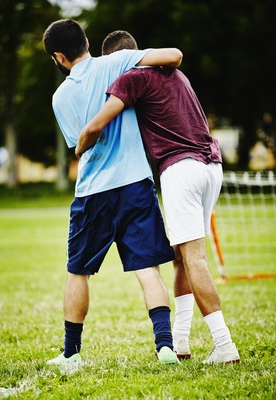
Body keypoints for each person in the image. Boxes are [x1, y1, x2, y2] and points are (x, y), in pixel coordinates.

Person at [75, 30, 240, 365]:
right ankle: (179, 340)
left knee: (194, 259)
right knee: (182, 256)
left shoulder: (130, 78)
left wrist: (80, 146)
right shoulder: (175, 74)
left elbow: (96, 127)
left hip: (181, 170)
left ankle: (224, 345)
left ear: (113, 59)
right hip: (210, 166)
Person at [42, 19, 184, 368]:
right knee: (148, 268)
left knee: (78, 272)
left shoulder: (60, 97)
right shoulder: (117, 61)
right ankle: (164, 345)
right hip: (136, 183)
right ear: (87, 41)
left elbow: (80, 146)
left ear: (59, 57)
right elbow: (175, 55)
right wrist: (136, 57)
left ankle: (71, 354)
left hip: (93, 192)